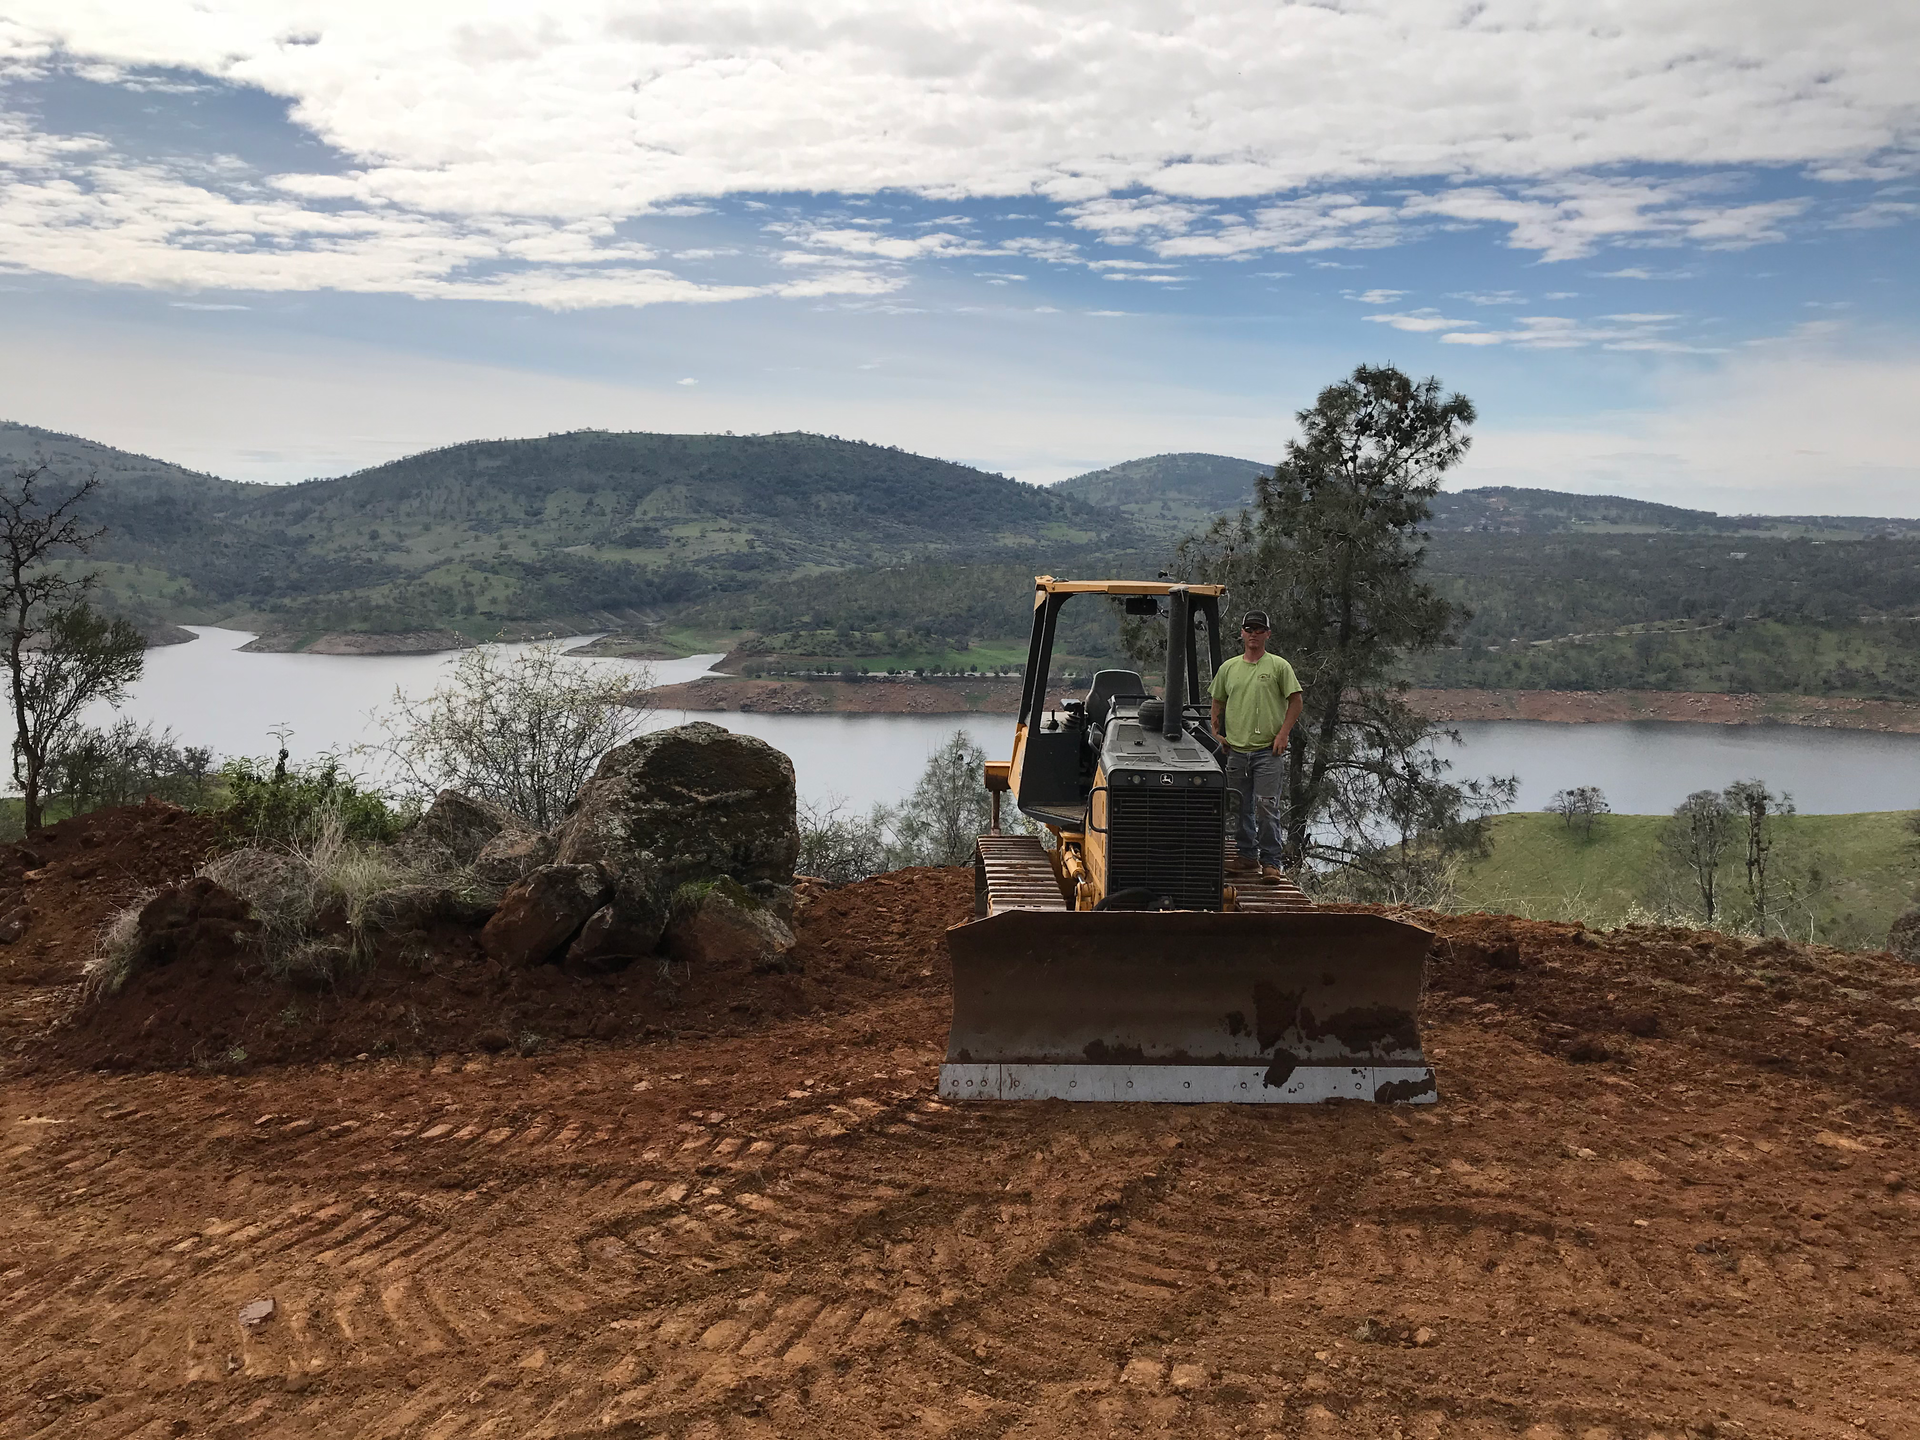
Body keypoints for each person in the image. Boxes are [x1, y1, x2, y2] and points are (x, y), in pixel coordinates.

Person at [1208, 609, 1303, 882]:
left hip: (1267, 752)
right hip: (1236, 751)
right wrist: (1217, 732)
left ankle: (1271, 862)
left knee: (1266, 806)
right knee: (1239, 805)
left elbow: (1295, 701)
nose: (1253, 634)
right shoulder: (1229, 668)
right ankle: (1247, 856)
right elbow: (1218, 700)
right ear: (1241, 633)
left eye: (1259, 629)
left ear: (1267, 634)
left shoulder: (1279, 666)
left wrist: (1283, 734)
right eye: (1249, 629)